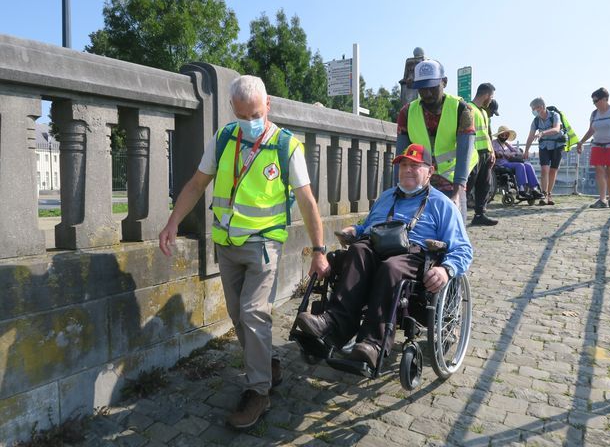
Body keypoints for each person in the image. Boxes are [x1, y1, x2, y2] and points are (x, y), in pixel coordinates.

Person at [159, 75, 330, 430]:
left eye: (255, 113)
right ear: (233, 110)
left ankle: (258, 392)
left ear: (268, 106)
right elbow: (196, 184)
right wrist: (172, 222)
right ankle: (267, 365)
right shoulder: (223, 140)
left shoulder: (286, 146)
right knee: (238, 315)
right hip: (227, 245)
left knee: (253, 313)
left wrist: (319, 250)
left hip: (264, 246)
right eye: (242, 115)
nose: (250, 121)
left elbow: (307, 200)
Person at [295, 144, 473, 369]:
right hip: (375, 246)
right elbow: (369, 226)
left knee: (391, 268)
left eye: (415, 166)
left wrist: (446, 269)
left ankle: (373, 343)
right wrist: (356, 231)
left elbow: (463, 249)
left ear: (430, 171)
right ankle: (333, 323)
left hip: (412, 255)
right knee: (357, 250)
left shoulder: (443, 205)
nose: (407, 169)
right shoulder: (387, 196)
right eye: (404, 165)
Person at [396, 59, 477, 219]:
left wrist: (457, 193)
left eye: (432, 87)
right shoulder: (407, 113)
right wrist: (397, 189)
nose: (427, 94)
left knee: (454, 225)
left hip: (453, 177)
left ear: (444, 82)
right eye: (422, 89)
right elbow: (401, 156)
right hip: (422, 178)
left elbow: (463, 153)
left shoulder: (463, 110)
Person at [577, 87, 610, 208]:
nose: (594, 103)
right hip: (597, 146)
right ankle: (602, 199)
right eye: (593, 101)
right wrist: (581, 142)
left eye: (596, 100)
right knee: (599, 171)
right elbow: (591, 130)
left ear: (605, 99)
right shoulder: (594, 114)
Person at [467, 83, 498, 226]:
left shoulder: (484, 113)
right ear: (486, 95)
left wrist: (491, 151)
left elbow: (487, 134)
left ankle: (480, 214)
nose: (491, 100)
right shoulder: (469, 109)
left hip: (485, 153)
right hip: (473, 153)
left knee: (484, 185)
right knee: (467, 184)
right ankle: (456, 215)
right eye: (491, 97)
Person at [524, 97, 564, 206]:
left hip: (557, 145)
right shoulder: (536, 120)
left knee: (553, 170)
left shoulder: (554, 115)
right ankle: (544, 194)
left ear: (540, 107)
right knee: (544, 169)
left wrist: (543, 133)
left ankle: (549, 194)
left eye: (534, 108)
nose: (533, 111)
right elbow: (531, 135)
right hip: (544, 146)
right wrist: (526, 150)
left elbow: (556, 129)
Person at [492, 126, 544, 199]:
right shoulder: (494, 143)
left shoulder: (508, 144)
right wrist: (503, 154)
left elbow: (517, 152)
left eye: (506, 135)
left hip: (511, 162)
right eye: (502, 135)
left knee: (528, 165)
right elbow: (494, 153)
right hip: (501, 164)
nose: (504, 137)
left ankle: (534, 189)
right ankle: (521, 190)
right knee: (520, 166)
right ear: (499, 135)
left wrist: (511, 154)